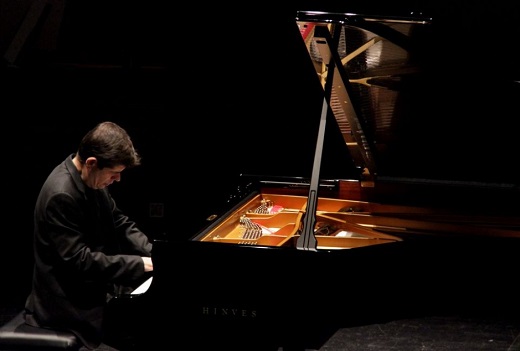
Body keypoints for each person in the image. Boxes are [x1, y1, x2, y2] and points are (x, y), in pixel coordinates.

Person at [23, 121, 153, 350]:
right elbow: (79, 261)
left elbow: (119, 221)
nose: (118, 180)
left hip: (93, 287)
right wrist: (141, 264)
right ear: (92, 163)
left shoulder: (91, 179)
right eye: (115, 174)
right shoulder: (61, 195)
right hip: (64, 304)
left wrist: (154, 252)